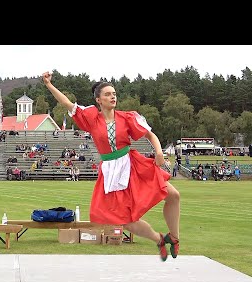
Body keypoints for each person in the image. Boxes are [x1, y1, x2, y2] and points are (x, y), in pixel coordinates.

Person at [42, 71, 180, 262]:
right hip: (111, 172)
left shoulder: (128, 117)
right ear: (98, 100)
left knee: (173, 195)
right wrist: (49, 85)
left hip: (133, 164)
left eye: (114, 93)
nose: (112, 96)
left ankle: (174, 237)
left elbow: (150, 135)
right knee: (127, 222)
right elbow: (67, 103)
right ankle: (159, 240)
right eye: (107, 94)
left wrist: (158, 152)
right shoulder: (91, 117)